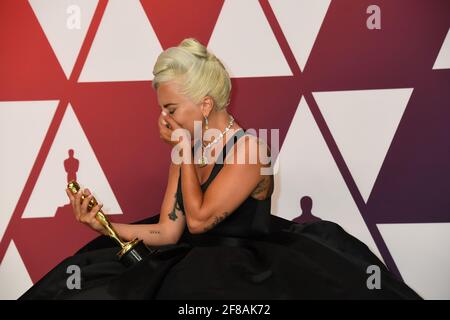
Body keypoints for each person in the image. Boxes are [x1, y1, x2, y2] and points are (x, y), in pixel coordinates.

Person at [19, 38, 421, 300]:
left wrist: (183, 151)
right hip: (187, 261)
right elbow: (167, 230)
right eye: (162, 108)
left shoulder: (250, 150)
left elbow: (199, 220)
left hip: (247, 272)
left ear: (206, 104)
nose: (163, 117)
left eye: (171, 108)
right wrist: (103, 225)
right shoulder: (187, 146)